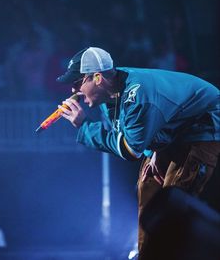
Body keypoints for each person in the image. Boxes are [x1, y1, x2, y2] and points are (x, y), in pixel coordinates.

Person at [56, 47, 220, 259]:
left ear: (97, 77)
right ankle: (147, 255)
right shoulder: (110, 93)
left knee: (172, 200)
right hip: (176, 130)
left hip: (201, 129)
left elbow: (129, 149)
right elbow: (135, 133)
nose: (73, 91)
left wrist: (84, 126)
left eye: (77, 83)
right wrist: (154, 150)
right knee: (148, 185)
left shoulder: (137, 95)